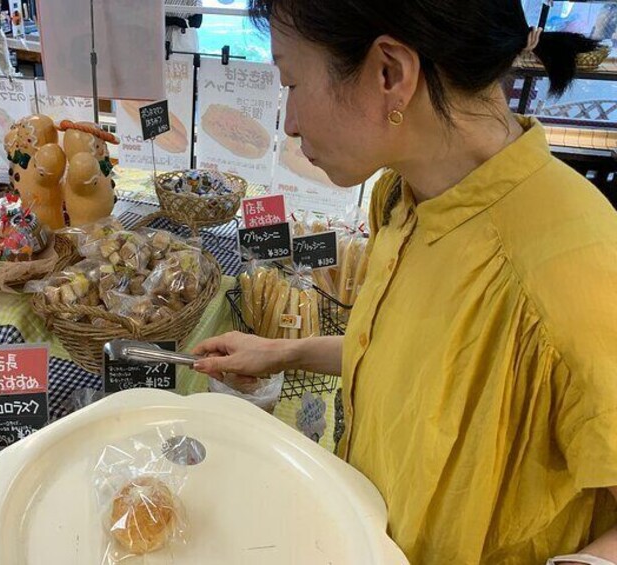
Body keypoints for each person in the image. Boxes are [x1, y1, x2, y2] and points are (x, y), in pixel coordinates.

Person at [193, 1, 617, 564]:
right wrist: (282, 351)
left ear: (389, 73)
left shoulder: (579, 268)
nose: (289, 122)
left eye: (291, 81)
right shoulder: (401, 199)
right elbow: (421, 362)